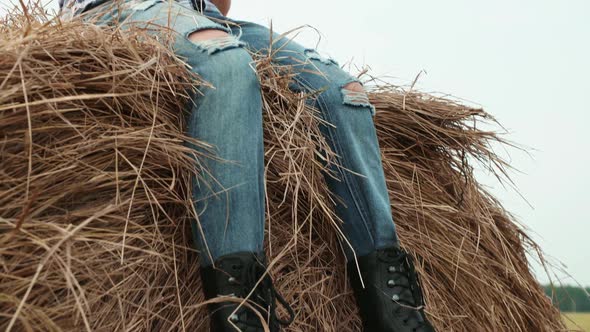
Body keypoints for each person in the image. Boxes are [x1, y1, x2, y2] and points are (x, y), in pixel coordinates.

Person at [60, 0, 435, 330]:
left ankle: (396, 310)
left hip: (199, 13)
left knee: (343, 91)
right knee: (226, 63)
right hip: (115, 6)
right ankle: (242, 312)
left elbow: (221, 5)